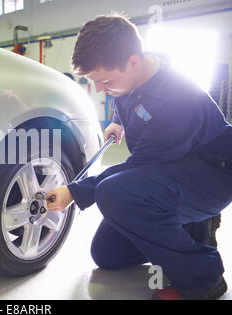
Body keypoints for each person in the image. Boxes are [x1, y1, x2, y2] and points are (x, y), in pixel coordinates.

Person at [46, 14, 232, 300]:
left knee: (113, 193)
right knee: (107, 254)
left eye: (105, 81)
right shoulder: (136, 74)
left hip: (210, 176)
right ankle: (186, 230)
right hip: (169, 168)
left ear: (133, 62)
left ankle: (203, 277)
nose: (100, 90)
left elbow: (139, 165)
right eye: (95, 82)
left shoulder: (177, 100)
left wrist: (73, 191)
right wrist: (118, 121)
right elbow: (128, 101)